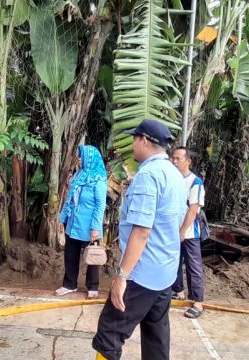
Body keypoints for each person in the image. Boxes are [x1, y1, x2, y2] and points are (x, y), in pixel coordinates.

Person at [92, 119, 187, 360]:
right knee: (156, 335)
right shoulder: (175, 174)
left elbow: (142, 231)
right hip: (165, 272)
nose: (133, 144)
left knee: (109, 332)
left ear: (144, 140)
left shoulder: (149, 175)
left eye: (135, 139)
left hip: (142, 272)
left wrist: (122, 276)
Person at [55, 145, 107, 299]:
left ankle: (92, 286)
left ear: (90, 159)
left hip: (90, 225)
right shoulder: (78, 176)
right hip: (73, 222)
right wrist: (62, 219)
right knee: (71, 254)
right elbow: (69, 200)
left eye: (81, 156)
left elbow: (100, 205)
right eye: (78, 155)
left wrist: (96, 227)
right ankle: (69, 284)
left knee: (93, 254)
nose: (78, 158)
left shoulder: (99, 180)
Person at [170, 147, 206, 319]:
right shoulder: (172, 179)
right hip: (172, 230)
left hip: (189, 232)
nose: (175, 161)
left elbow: (193, 210)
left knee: (193, 266)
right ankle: (178, 291)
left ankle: (198, 302)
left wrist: (182, 231)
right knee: (174, 262)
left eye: (178, 159)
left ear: (188, 161)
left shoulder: (195, 182)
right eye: (173, 158)